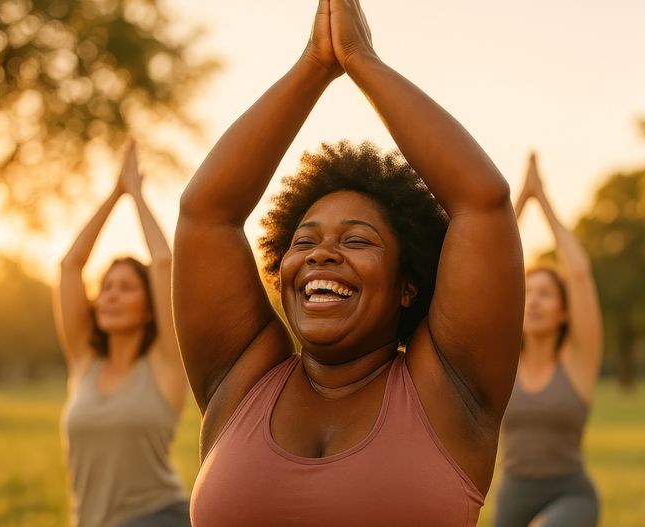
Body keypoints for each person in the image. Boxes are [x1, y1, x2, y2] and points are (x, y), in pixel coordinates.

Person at [174, 1, 524, 525]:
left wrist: (361, 61)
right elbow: (206, 215)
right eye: (304, 241)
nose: (322, 253)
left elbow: (482, 202)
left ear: (408, 285)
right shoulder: (243, 375)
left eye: (357, 241)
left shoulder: (448, 389)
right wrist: (312, 65)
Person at [54, 141, 190, 527]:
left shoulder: (165, 364)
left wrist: (137, 196)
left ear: (150, 309)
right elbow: (69, 267)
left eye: (127, 287)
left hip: (160, 518)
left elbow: (163, 262)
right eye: (106, 286)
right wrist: (115, 193)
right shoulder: (84, 361)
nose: (111, 295)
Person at [494, 153, 603, 526]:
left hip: (570, 495)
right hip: (511, 495)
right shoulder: (502, 362)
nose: (534, 301)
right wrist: (521, 198)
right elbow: (491, 263)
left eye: (546, 294)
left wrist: (546, 202)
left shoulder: (578, 362)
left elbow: (579, 273)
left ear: (564, 311)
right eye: (529, 292)